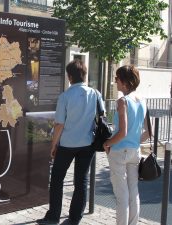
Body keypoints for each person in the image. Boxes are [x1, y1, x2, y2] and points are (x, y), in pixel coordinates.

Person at [36, 59, 105, 225]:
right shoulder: (95, 93)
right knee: (81, 181)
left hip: (67, 144)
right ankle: (75, 218)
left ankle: (53, 216)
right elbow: (102, 116)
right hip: (88, 144)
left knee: (57, 179)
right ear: (84, 75)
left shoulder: (65, 96)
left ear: (69, 77)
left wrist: (53, 145)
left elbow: (59, 124)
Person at [103, 65, 149, 225]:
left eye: (116, 79)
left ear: (124, 82)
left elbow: (122, 132)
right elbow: (149, 132)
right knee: (133, 192)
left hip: (119, 151)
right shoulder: (142, 100)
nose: (115, 82)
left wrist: (107, 143)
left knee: (122, 195)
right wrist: (135, 141)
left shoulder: (123, 101)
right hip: (134, 151)